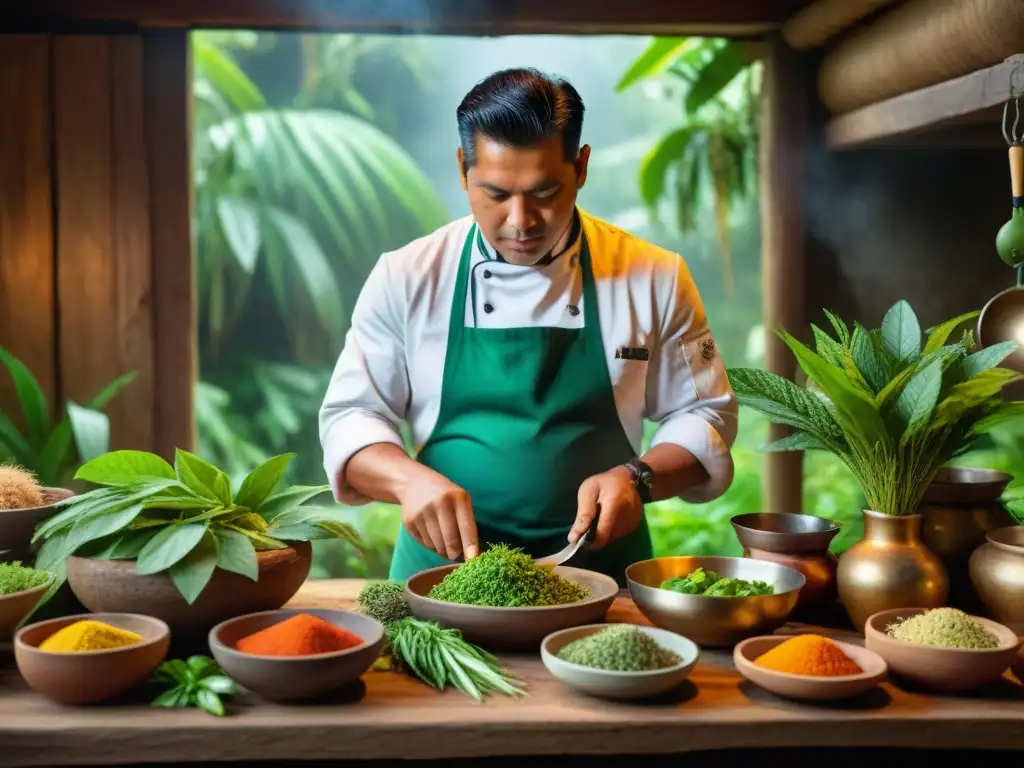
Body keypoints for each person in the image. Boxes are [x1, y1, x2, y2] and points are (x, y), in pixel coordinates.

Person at [318, 67, 738, 586]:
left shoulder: (656, 276)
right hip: (442, 581)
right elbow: (350, 417)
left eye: (545, 192)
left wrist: (639, 478)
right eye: (495, 194)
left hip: (600, 581)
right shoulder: (406, 275)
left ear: (580, 167)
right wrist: (408, 481)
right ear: (462, 169)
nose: (520, 221)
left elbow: (707, 414)